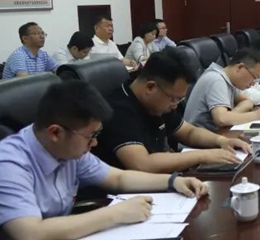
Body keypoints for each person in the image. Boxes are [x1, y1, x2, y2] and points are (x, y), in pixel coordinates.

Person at [0, 80, 208, 240]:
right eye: (91, 136)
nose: (94, 144)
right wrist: (116, 214)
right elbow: (31, 237)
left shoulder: (65, 149)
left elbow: (118, 178)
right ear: (55, 132)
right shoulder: (6, 166)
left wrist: (173, 181)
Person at [93, 48, 251, 172]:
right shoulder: (117, 109)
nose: (175, 105)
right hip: (123, 196)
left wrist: (222, 141)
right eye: (174, 99)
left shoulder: (159, 101)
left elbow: (189, 132)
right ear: (150, 87)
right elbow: (142, 164)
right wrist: (203, 155)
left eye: (179, 100)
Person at [183, 48, 260, 132]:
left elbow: (247, 101)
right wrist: (257, 115)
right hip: (197, 141)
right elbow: (221, 119)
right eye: (254, 78)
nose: (253, 84)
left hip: (215, 134)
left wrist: (232, 115)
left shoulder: (229, 80)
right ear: (239, 68)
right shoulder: (216, 79)